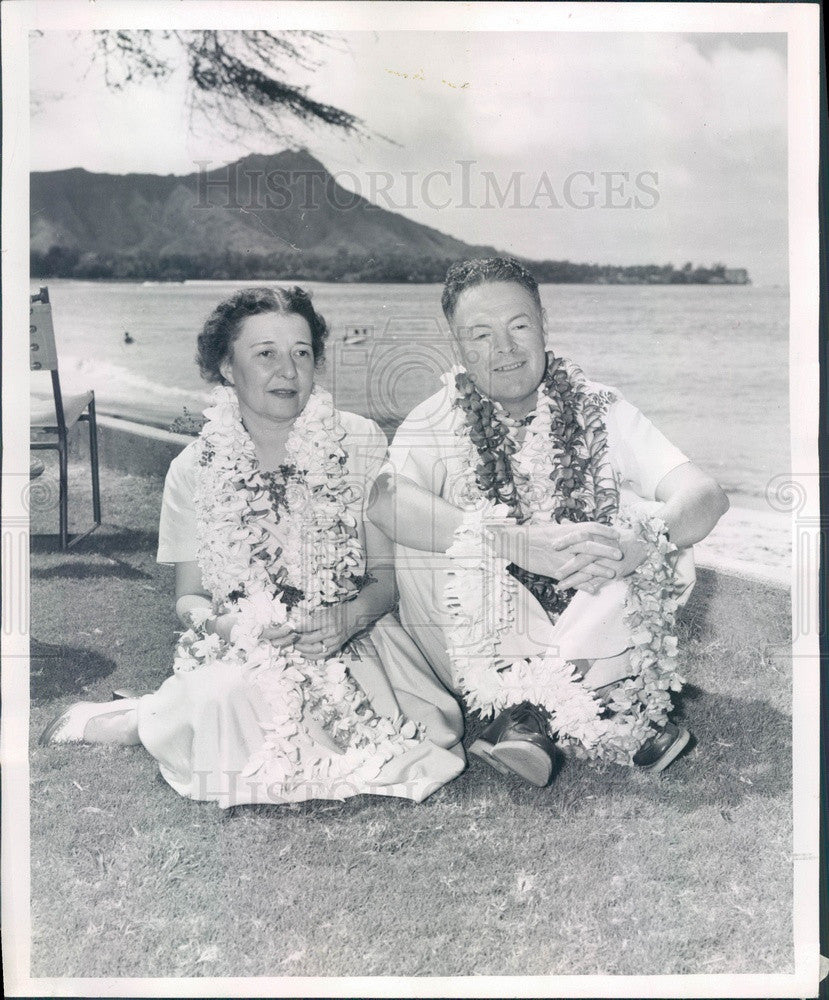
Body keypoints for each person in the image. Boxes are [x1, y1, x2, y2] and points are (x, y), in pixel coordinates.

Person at [40, 286, 464, 807]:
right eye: (265, 354)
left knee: (397, 742)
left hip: (356, 641)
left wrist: (345, 620)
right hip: (242, 647)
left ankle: (154, 715)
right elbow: (189, 600)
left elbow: (386, 581)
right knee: (229, 695)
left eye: (302, 353)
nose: (288, 370)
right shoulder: (192, 469)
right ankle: (143, 720)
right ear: (225, 366)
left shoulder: (359, 440)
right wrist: (234, 627)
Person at [368, 257, 729, 786]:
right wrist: (514, 543)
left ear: (542, 324)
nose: (505, 349)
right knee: (442, 532)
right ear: (459, 349)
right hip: (481, 642)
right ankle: (601, 709)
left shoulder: (599, 406)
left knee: (654, 527)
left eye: (518, 326)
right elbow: (383, 500)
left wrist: (641, 540)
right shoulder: (435, 417)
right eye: (481, 336)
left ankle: (537, 714)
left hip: (584, 615)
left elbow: (705, 495)